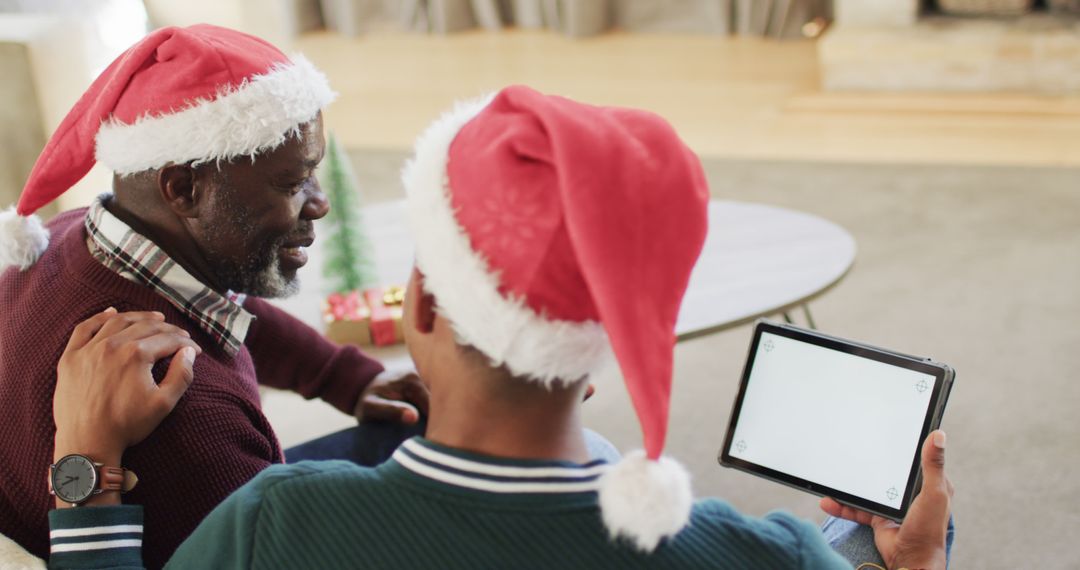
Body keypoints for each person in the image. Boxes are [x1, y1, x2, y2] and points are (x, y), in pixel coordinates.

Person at [45, 86, 953, 569]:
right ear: (608, 343)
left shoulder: (275, 525)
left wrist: (85, 470)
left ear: (427, 309)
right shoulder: (771, 557)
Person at [0, 25, 426, 567]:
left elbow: (225, 309)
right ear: (182, 189)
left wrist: (348, 377)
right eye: (292, 183)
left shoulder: (73, 234)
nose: (319, 204)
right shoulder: (199, 433)